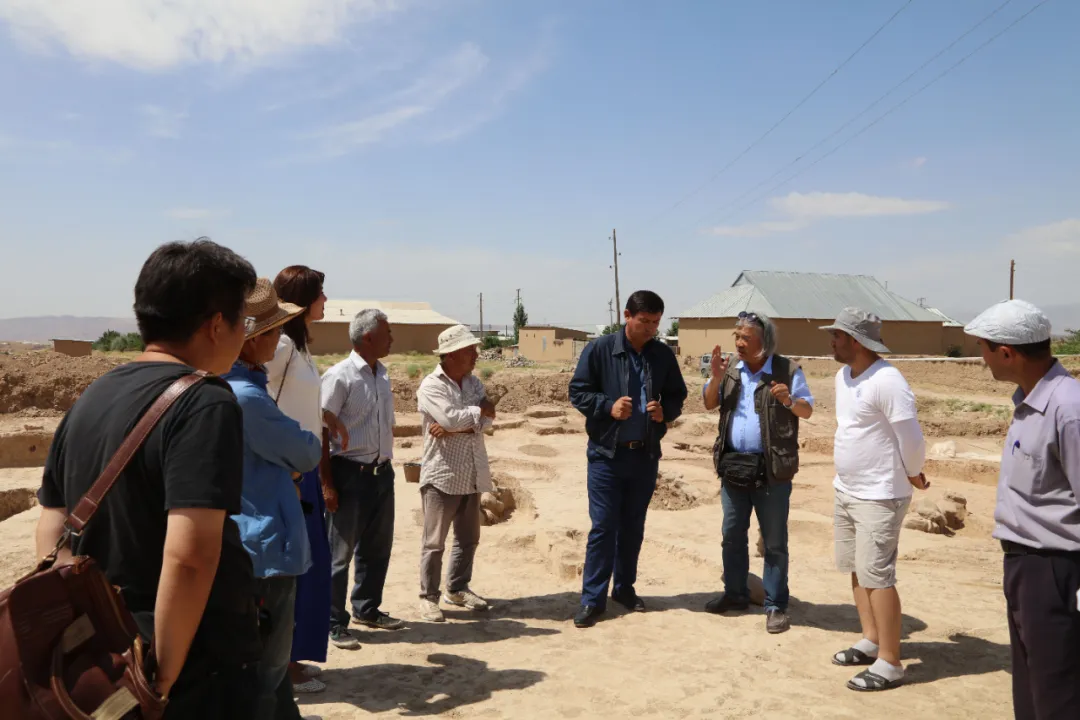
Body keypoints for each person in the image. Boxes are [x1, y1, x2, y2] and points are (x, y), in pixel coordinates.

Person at [34, 239, 262, 718]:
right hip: (187, 667)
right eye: (243, 320)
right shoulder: (206, 401)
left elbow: (53, 523)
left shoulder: (94, 395)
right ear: (216, 324)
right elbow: (191, 555)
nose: (245, 334)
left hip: (105, 655)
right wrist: (162, 677)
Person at [964, 299, 1080, 719]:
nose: (981, 359)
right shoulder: (1029, 402)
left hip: (1056, 569)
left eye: (983, 348)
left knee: (1058, 694)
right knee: (1031, 692)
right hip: (1024, 565)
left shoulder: (1068, 409)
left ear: (1006, 352)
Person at [224, 278, 322, 719]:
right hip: (264, 546)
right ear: (253, 341)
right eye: (273, 330)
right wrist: (294, 460)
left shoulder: (235, 388)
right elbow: (306, 450)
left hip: (250, 542)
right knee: (268, 667)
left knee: (270, 671)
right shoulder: (246, 397)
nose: (279, 337)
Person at [819, 308, 929, 692]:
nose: (831, 341)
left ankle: (890, 661)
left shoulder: (888, 381)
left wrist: (914, 471)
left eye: (836, 335)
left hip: (880, 495)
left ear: (855, 340)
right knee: (857, 567)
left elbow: (911, 438)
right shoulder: (843, 376)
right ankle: (871, 638)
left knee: (878, 575)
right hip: (847, 489)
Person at [568, 291, 688, 628]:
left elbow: (677, 395)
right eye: (644, 321)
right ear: (627, 316)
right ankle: (593, 600)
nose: (650, 328)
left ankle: (624, 589)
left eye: (655, 322)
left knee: (633, 527)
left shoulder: (662, 355)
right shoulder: (600, 350)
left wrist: (665, 412)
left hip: (644, 455)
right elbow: (577, 391)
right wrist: (608, 406)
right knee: (604, 528)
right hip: (606, 455)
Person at [702, 310, 814, 634]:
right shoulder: (731, 370)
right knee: (731, 536)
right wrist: (715, 377)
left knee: (774, 542)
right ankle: (735, 594)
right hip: (734, 468)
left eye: (746, 338)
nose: (739, 343)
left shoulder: (787, 370)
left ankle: (775, 605)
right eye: (736, 336)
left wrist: (789, 401)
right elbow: (708, 403)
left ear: (765, 342)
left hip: (771, 473)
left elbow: (807, 410)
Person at [265, 266, 349, 696]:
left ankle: (295, 660)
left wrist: (325, 419)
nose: (326, 300)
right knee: (293, 569)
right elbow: (258, 400)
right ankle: (285, 669)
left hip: (306, 468)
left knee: (309, 567)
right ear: (303, 299)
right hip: (288, 472)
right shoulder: (279, 346)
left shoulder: (298, 346)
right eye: (321, 293)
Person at [321, 309, 401, 648]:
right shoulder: (339, 376)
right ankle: (332, 621)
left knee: (377, 547)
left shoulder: (382, 374)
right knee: (338, 556)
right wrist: (327, 484)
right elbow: (321, 431)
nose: (392, 338)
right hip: (349, 474)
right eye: (387, 333)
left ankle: (367, 609)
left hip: (381, 473)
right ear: (368, 337)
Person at [416, 324, 496, 622]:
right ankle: (428, 597)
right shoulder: (431, 386)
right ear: (450, 355)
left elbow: (486, 422)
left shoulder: (474, 384)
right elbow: (450, 418)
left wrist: (454, 428)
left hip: (472, 473)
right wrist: (471, 416)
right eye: (469, 350)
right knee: (434, 542)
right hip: (442, 475)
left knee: (468, 538)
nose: (476, 355)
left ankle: (458, 588)